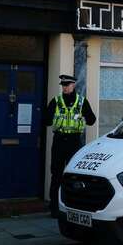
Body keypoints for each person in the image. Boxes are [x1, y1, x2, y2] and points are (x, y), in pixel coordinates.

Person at [45, 74, 96, 217]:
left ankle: (73, 207)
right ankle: (54, 208)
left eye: (67, 85)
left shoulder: (81, 102)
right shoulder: (55, 101)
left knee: (74, 176)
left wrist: (82, 116)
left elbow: (92, 120)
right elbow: (46, 121)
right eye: (63, 85)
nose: (65, 88)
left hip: (74, 142)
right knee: (56, 174)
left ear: (73, 85)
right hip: (59, 141)